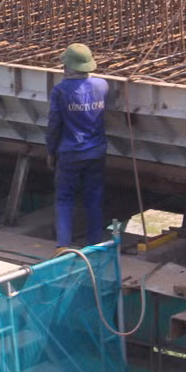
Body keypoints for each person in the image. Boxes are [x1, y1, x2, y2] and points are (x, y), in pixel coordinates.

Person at [46, 43, 108, 248]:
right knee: (94, 199)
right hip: (96, 152)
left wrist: (50, 152)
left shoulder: (61, 91)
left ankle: (63, 246)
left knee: (64, 200)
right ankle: (95, 245)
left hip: (70, 153)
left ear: (67, 67)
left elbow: (54, 124)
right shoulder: (102, 86)